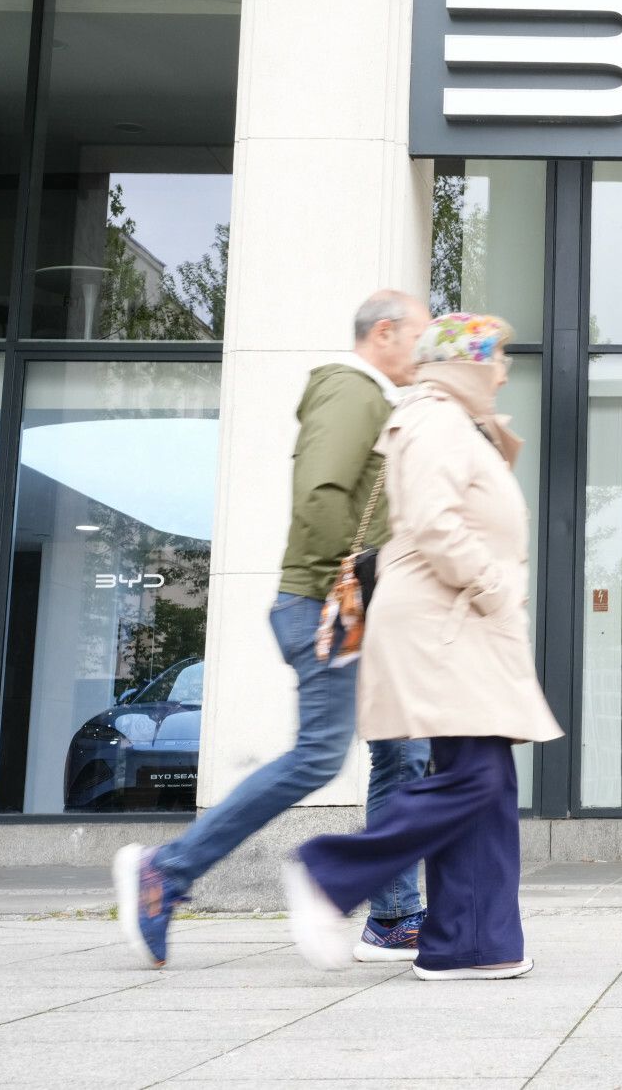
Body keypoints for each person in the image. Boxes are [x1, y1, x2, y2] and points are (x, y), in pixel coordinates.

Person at [114, 290, 434, 968]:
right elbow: (321, 493)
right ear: (384, 332)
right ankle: (166, 870)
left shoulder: (375, 399)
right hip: (330, 604)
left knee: (403, 752)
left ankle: (395, 917)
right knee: (319, 755)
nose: (426, 352)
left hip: (357, 606)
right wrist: (343, 590)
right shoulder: (350, 390)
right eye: (420, 336)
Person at [283, 312, 561, 981]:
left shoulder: (453, 421)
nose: (504, 374)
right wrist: (493, 585)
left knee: (486, 780)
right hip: (446, 623)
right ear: (467, 364)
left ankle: (474, 942)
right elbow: (436, 523)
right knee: (475, 778)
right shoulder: (435, 419)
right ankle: (328, 874)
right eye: (497, 360)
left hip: (459, 622)